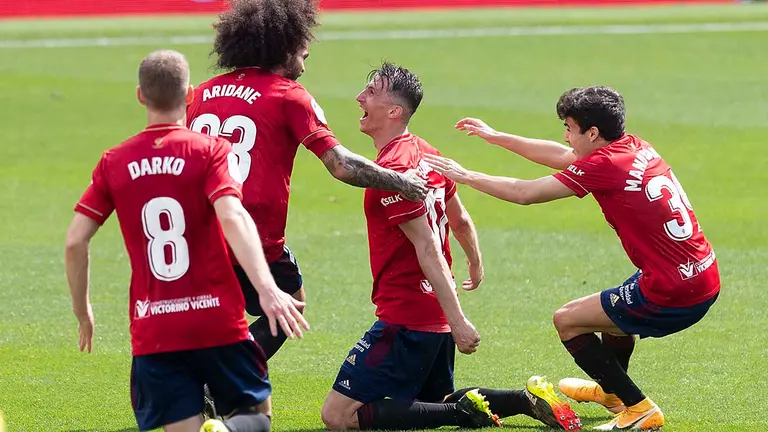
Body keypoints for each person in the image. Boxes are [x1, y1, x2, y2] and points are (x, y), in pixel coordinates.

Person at [425, 85, 720, 431]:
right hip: (702, 273)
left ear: (592, 133)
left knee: (567, 320)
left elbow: (525, 194)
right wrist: (495, 137)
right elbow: (563, 157)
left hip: (673, 289)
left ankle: (639, 407)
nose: (565, 137)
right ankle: (612, 394)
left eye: (569, 128)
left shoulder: (603, 165)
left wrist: (463, 175)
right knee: (611, 315)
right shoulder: (634, 147)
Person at [319, 62, 582, 432]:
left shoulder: (394, 171)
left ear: (394, 111)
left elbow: (427, 247)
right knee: (433, 402)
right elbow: (459, 220)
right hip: (435, 309)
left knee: (338, 416)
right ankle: (526, 400)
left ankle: (467, 415)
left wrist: (458, 322)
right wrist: (474, 262)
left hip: (408, 313)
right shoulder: (426, 153)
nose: (359, 98)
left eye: (371, 93)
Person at [64, 50, 309, 432]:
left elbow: (75, 242)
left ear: (140, 96)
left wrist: (83, 311)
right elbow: (232, 215)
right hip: (217, 320)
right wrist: (266, 288)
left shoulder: (114, 161)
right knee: (255, 423)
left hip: (155, 328)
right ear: (191, 94)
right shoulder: (211, 152)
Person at [186, 0, 428, 367]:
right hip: (253, 230)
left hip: (198, 227)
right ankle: (217, 376)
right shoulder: (289, 95)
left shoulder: (201, 93)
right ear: (284, 47)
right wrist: (401, 181)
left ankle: (208, 379)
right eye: (303, 51)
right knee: (289, 304)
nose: (305, 59)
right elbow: (341, 165)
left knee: (224, 310)